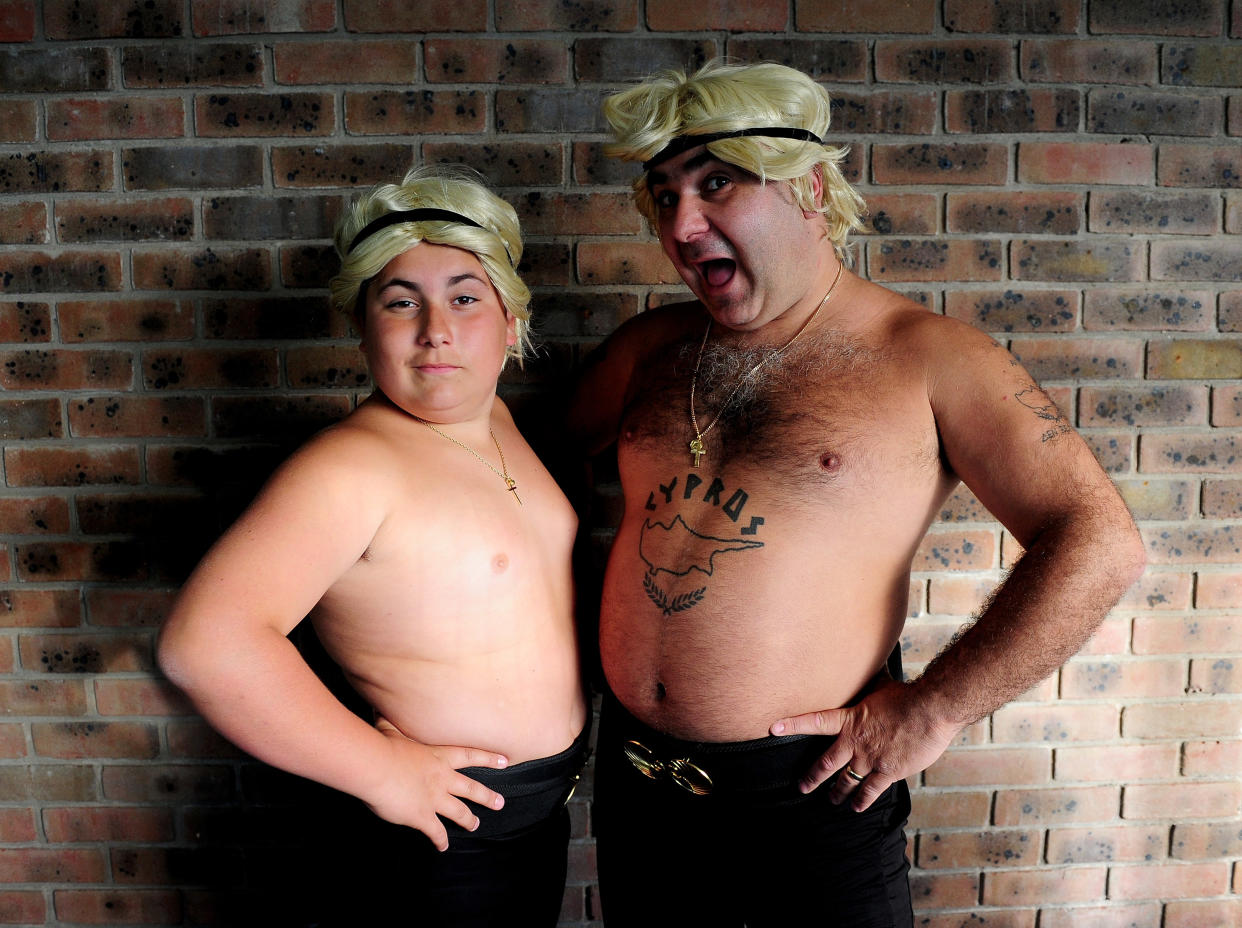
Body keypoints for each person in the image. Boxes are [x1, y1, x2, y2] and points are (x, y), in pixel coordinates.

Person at [569, 60, 1146, 927]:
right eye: (662, 195)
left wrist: (935, 707)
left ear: (806, 186)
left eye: (716, 184)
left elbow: (1098, 538)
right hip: (639, 786)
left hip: (812, 798)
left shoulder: (930, 356)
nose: (682, 226)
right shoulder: (649, 347)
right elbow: (514, 476)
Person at [157, 165, 587, 926]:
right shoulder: (350, 465)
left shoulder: (495, 426)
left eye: (464, 297)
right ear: (362, 329)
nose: (436, 332)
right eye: (400, 303)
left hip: (533, 821)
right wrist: (384, 772)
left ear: (510, 323)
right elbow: (206, 645)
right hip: (434, 839)